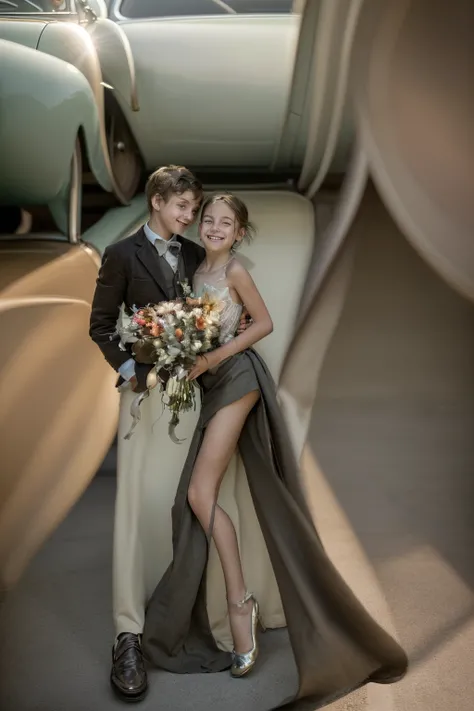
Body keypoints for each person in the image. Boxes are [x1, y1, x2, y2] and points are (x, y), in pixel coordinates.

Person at [141, 194, 408, 707]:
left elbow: (262, 323)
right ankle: (242, 606)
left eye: (226, 222)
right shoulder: (195, 269)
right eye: (210, 220)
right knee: (195, 498)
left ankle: (241, 606)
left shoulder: (236, 271)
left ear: (239, 233)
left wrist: (215, 354)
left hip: (238, 379)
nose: (216, 227)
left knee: (201, 493)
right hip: (211, 382)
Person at [89, 167, 250, 701]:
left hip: (188, 399)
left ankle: (174, 613)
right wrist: (130, 369)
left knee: (175, 504)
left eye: (193, 208)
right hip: (142, 399)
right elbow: (101, 324)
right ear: (156, 202)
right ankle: (128, 633)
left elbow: (216, 314)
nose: (189, 217)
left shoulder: (190, 255)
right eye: (182, 207)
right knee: (133, 509)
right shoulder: (119, 254)